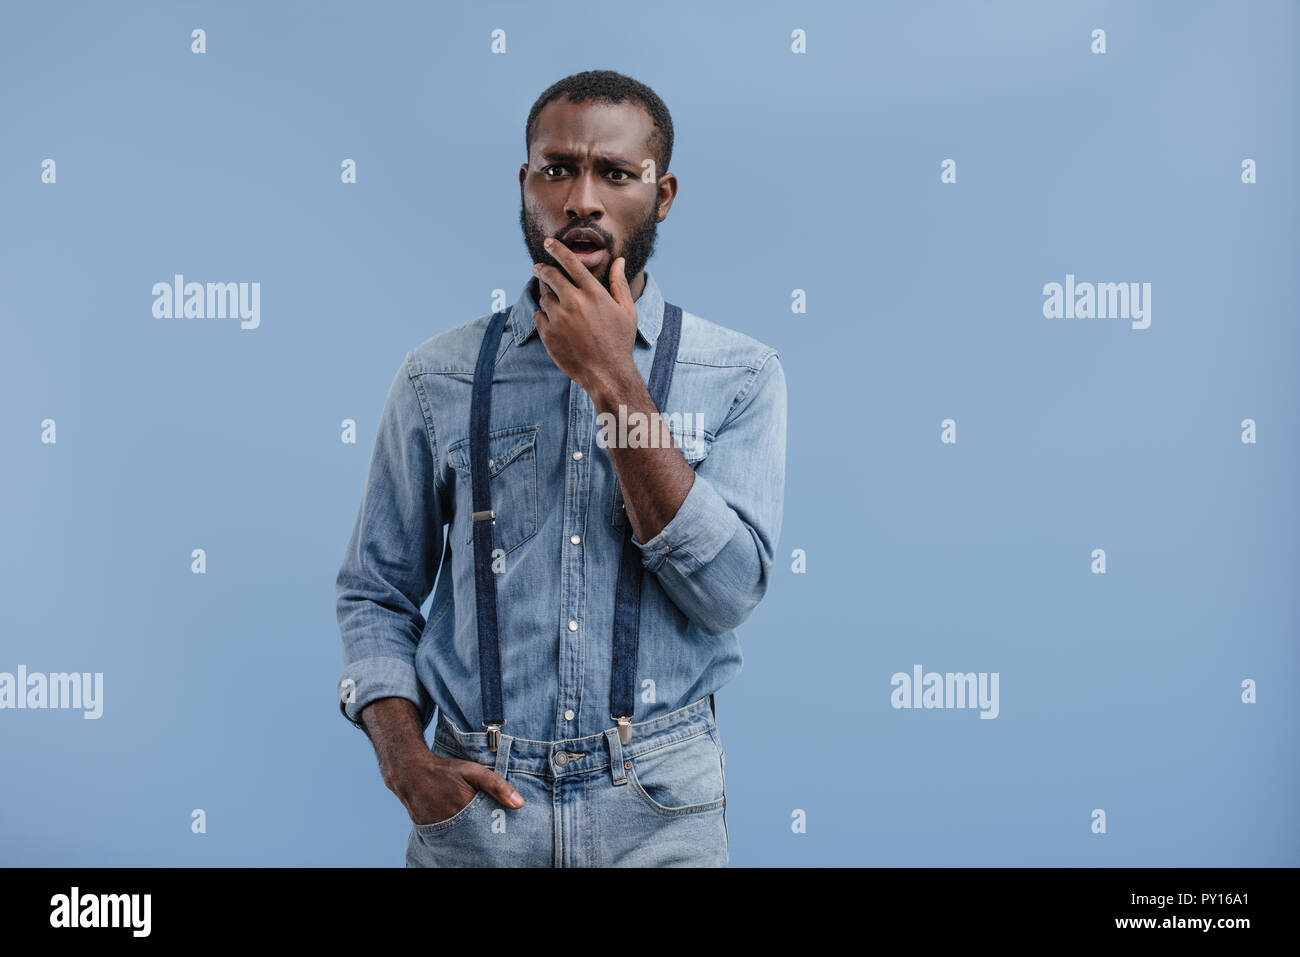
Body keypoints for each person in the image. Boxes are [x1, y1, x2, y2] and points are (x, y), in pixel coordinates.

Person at [334, 69, 786, 867]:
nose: (582, 198)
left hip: (659, 804)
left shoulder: (740, 374)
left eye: (615, 173)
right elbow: (376, 590)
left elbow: (727, 594)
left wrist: (613, 374)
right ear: (525, 183)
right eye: (558, 169)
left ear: (664, 193)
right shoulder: (438, 377)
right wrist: (407, 765)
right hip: (481, 808)